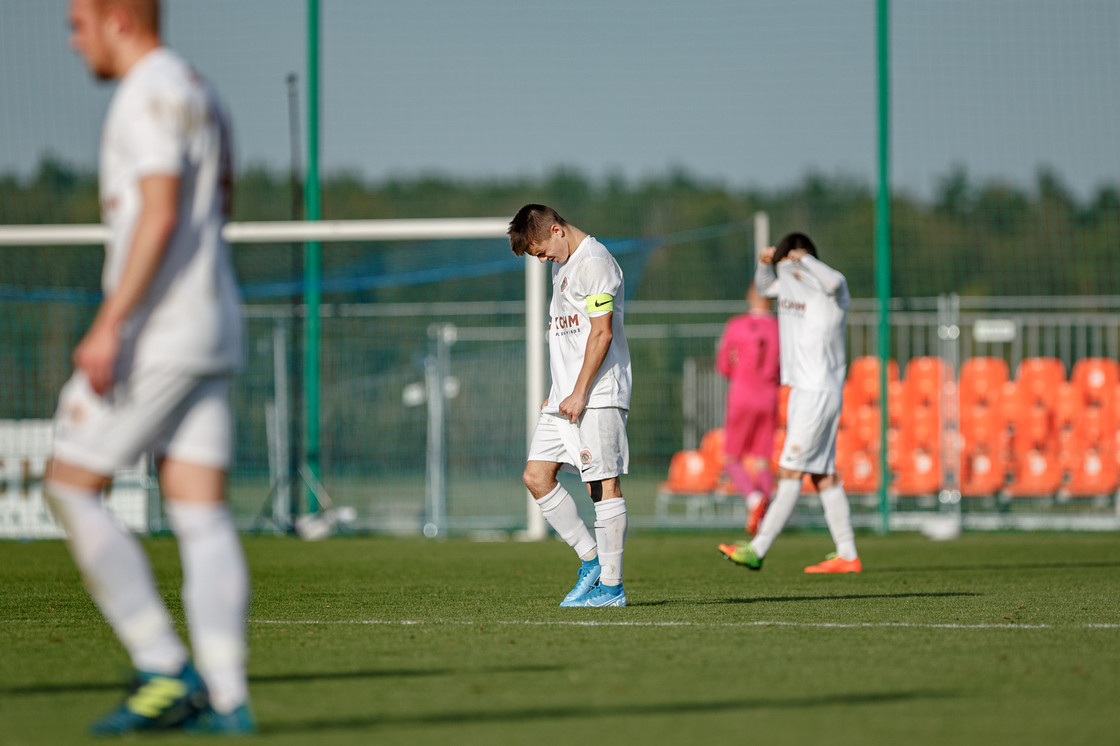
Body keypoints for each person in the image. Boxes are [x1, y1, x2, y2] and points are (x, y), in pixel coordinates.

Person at [46, 0, 253, 735]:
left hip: (160, 330)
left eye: (79, 24)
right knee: (199, 511)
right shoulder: (200, 87)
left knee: (69, 484)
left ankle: (164, 666)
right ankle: (229, 701)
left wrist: (111, 323)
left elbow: (161, 213)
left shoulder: (145, 93)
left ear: (119, 19)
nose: (74, 42)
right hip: (214, 319)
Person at [509, 204, 632, 607]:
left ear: (557, 230)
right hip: (563, 398)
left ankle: (612, 589)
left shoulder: (594, 263)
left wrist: (579, 391)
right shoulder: (560, 265)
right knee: (536, 476)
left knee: (602, 484)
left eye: (542, 250)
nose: (543, 259)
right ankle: (592, 561)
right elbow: (568, 335)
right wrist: (559, 388)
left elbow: (601, 334)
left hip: (595, 396)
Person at [719, 232, 861, 573]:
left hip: (817, 392)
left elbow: (835, 279)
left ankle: (758, 547)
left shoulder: (831, 291)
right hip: (803, 390)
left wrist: (802, 259)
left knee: (790, 471)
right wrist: (766, 262)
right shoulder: (791, 287)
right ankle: (847, 554)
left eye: (791, 260)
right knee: (822, 475)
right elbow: (765, 286)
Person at [715, 282, 780, 537]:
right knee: (763, 459)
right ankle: (768, 517)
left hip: (742, 394)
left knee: (732, 458)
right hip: (769, 396)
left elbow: (724, 365)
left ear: (749, 295)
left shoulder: (736, 325)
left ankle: (754, 501)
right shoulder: (780, 328)